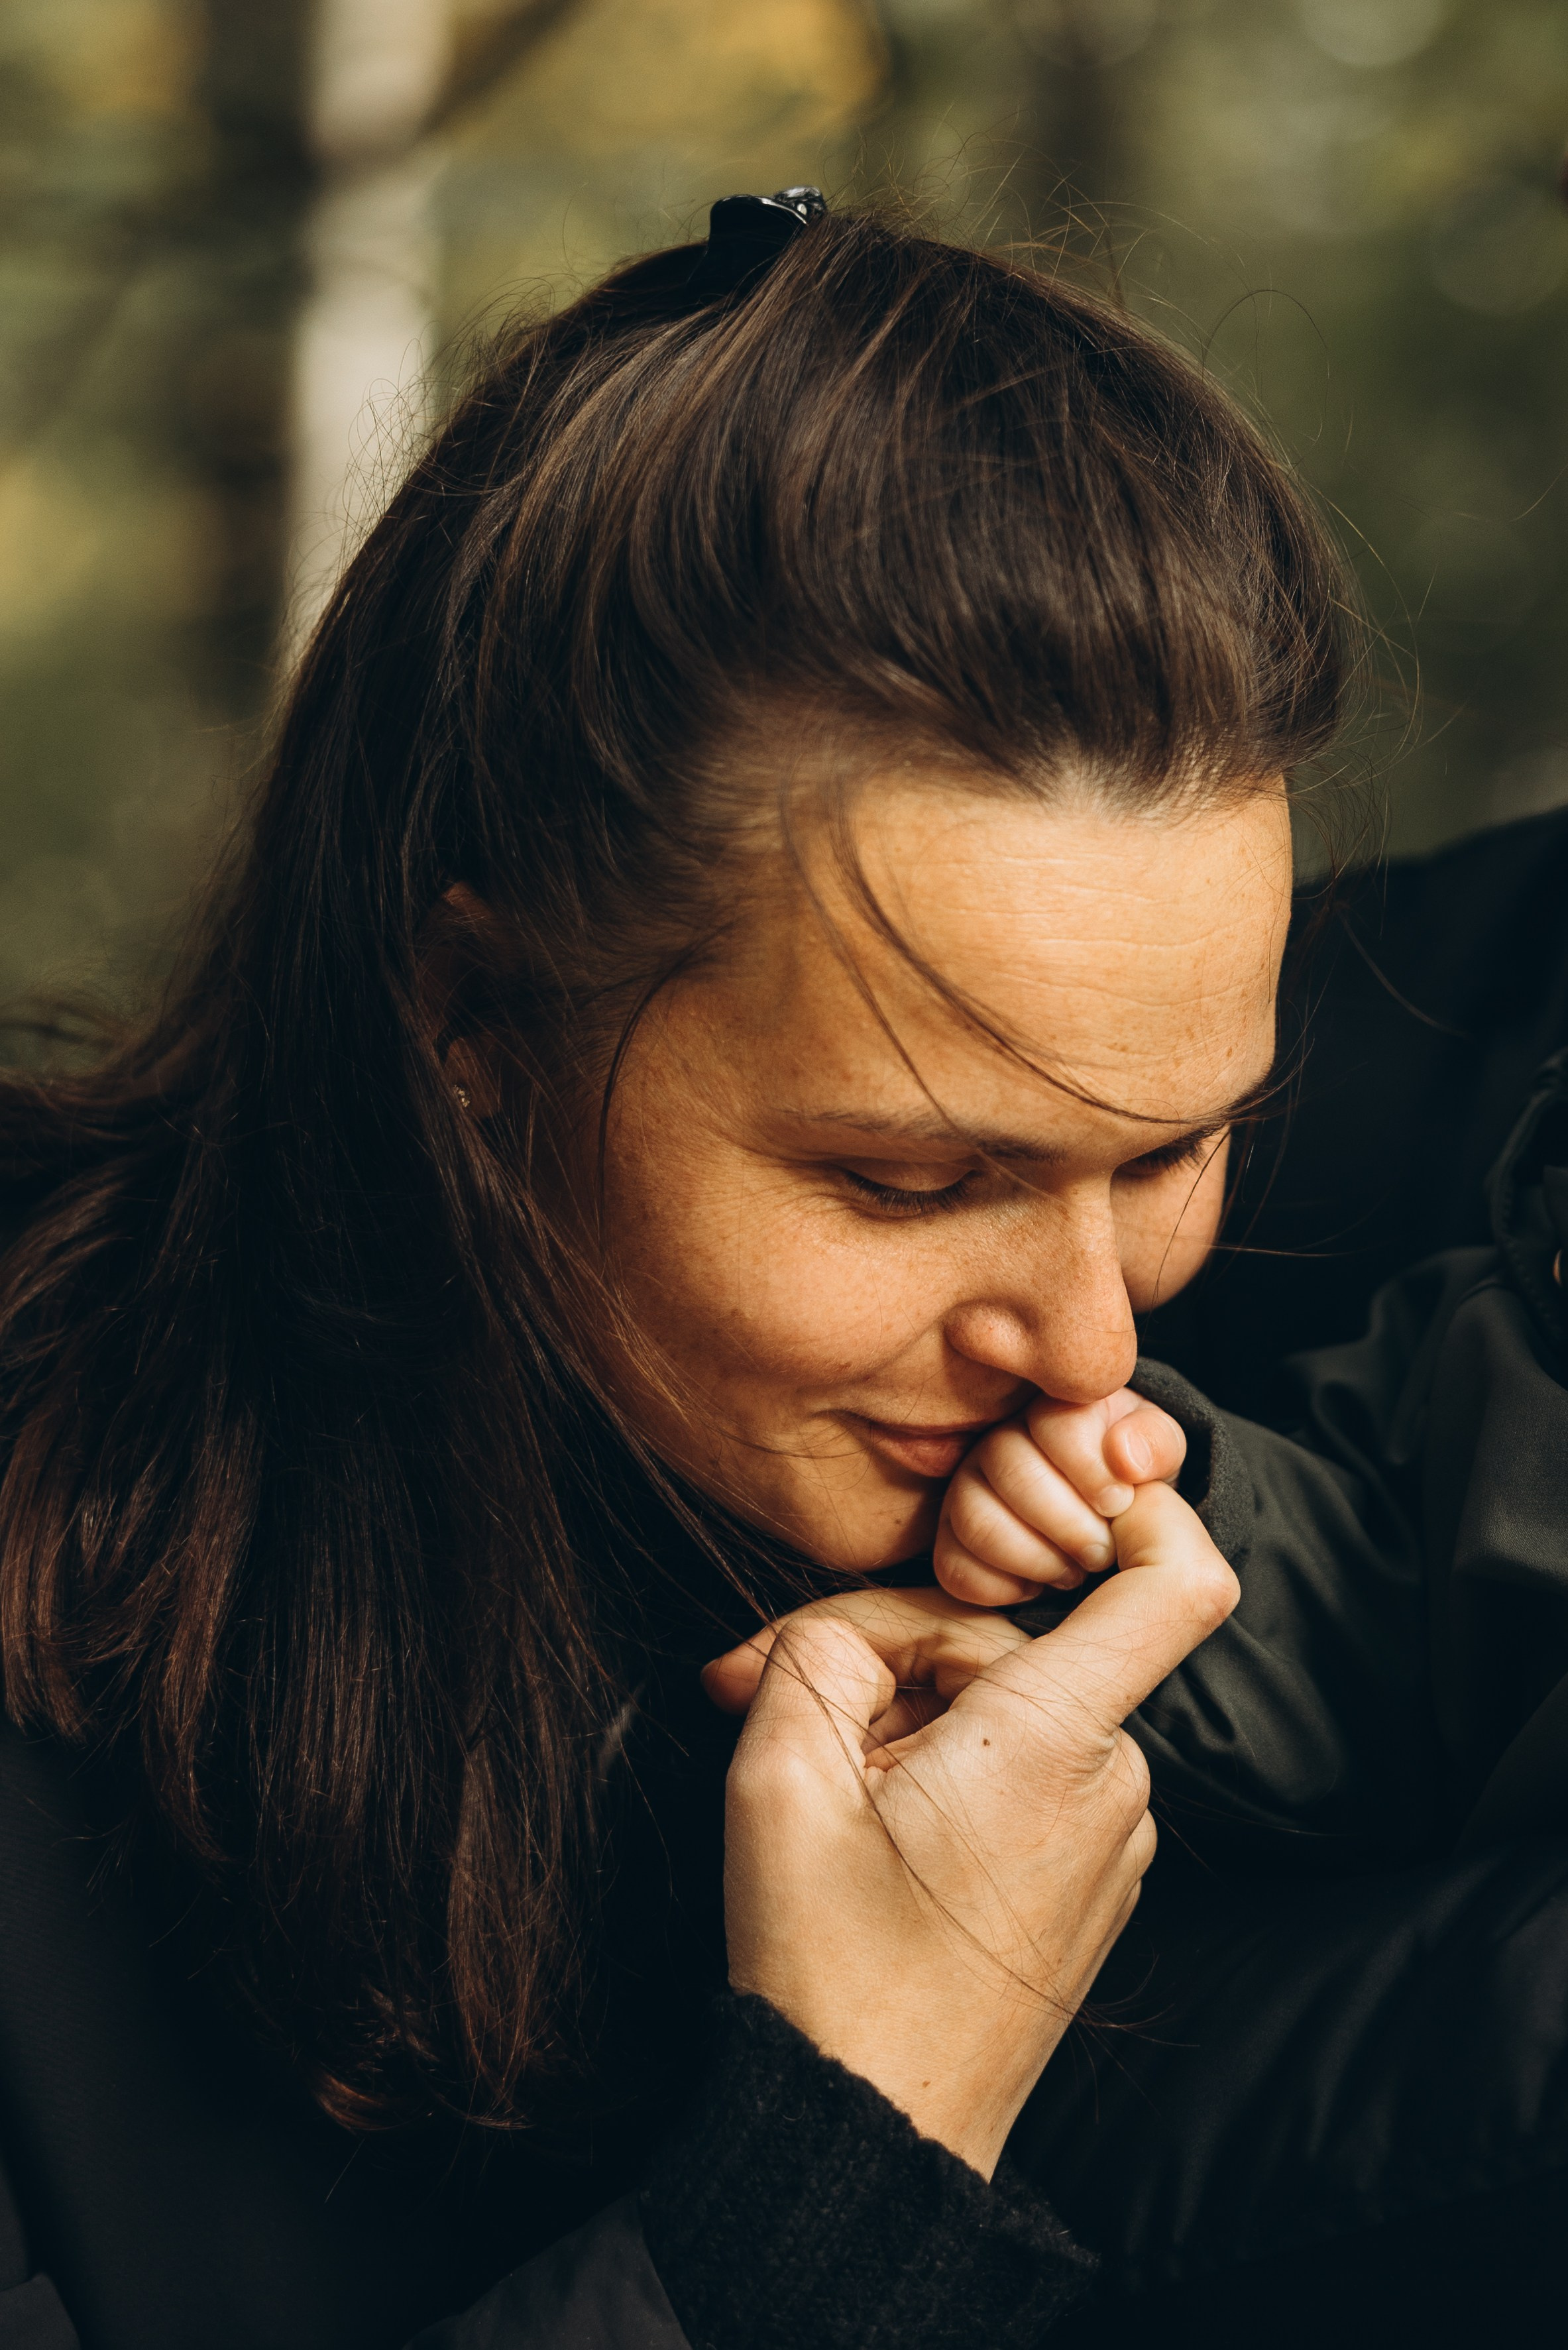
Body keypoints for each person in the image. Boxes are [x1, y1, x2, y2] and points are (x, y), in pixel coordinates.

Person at [0, 196, 1322, 2349]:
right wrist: (834, 2177)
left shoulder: (1111, 1586)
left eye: (1177, 1148)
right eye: (909, 1183)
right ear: (475, 1034)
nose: (1095, 1336)